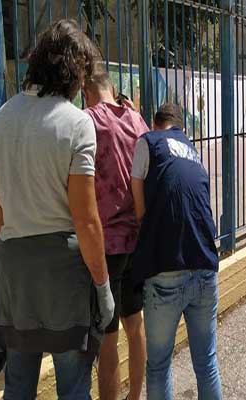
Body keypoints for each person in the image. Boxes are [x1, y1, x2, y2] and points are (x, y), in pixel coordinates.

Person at [0, 20, 114, 398]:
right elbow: (86, 220)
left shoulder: (0, 119)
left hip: (14, 271)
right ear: (74, 72)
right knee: (73, 387)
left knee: (19, 384)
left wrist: (14, 239)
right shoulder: (77, 125)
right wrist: (103, 287)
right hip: (63, 277)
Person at [130, 103, 222, 400]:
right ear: (181, 127)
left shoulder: (148, 141)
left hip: (165, 270)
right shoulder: (193, 152)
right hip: (205, 267)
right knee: (206, 363)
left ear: (155, 123)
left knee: (158, 366)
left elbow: (138, 204)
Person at [83, 70, 148, 400]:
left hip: (106, 246)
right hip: (136, 239)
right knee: (135, 326)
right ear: (111, 88)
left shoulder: (88, 121)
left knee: (108, 337)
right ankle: (134, 396)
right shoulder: (137, 121)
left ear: (87, 93)